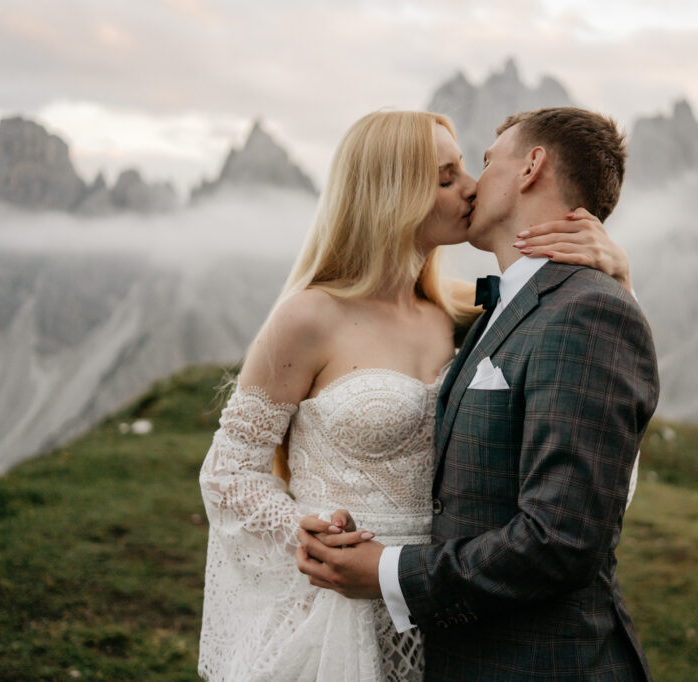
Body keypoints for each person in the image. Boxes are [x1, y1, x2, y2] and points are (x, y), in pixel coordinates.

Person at [197, 110, 634, 681]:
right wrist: (301, 529)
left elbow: (592, 417)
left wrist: (618, 278)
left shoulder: (466, 312)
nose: (471, 188)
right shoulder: (308, 316)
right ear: (391, 192)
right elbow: (229, 470)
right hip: (336, 614)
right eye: (447, 176)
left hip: (441, 611)